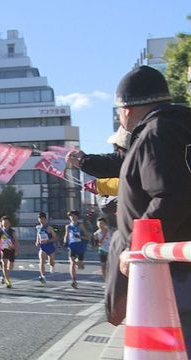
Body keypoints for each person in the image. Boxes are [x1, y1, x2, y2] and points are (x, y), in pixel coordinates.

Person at [101, 67, 191, 347]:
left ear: (126, 109)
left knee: (171, 346)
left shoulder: (156, 133)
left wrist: (136, 249)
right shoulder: (178, 125)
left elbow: (170, 196)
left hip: (170, 270)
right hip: (174, 263)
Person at [64, 210, 90, 289]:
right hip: (72, 246)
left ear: (77, 217)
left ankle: (80, 263)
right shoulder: (68, 226)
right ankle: (74, 280)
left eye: (74, 216)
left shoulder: (80, 225)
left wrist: (80, 237)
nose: (73, 217)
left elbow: (87, 236)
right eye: (71, 216)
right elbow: (66, 236)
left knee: (80, 264)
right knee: (72, 262)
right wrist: (65, 241)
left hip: (80, 246)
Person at [0, 216, 18, 289]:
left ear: (9, 223)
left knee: (10, 266)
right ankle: (8, 280)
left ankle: (4, 275)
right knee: (4, 264)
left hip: (11, 250)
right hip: (4, 250)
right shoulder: (0, 232)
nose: (5, 224)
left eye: (7, 222)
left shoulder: (12, 231)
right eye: (4, 222)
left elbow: (16, 241)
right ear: (1, 223)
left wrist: (16, 249)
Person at [36, 212, 57, 284]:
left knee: (51, 261)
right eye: (40, 219)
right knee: (41, 261)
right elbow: (38, 235)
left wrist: (48, 241)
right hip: (43, 247)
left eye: (42, 219)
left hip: (50, 246)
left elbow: (55, 237)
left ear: (45, 219)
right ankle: (43, 276)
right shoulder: (38, 227)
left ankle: (52, 265)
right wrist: (37, 241)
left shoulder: (49, 228)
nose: (41, 220)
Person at [93, 217, 112, 282]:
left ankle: (111, 279)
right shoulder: (96, 234)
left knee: (110, 266)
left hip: (110, 250)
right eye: (99, 223)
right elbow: (96, 244)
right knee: (103, 266)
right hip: (102, 250)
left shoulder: (109, 230)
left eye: (102, 223)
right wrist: (97, 243)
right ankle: (106, 281)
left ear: (105, 224)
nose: (100, 225)